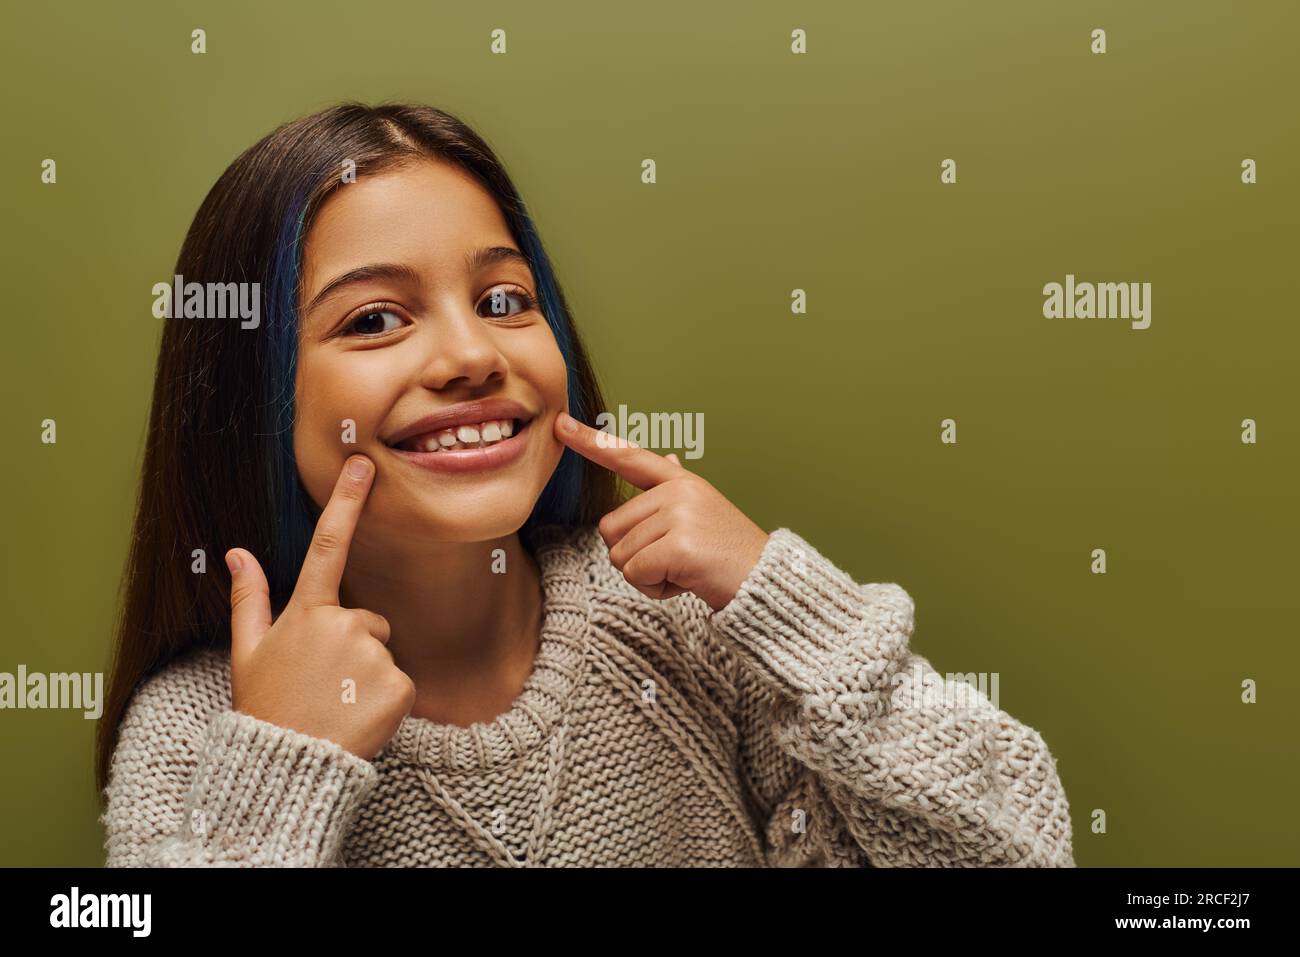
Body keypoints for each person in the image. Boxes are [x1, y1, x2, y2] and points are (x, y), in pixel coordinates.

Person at [97, 103, 1074, 867]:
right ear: (252, 390)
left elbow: (1014, 851)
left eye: (503, 300)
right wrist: (279, 777)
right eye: (374, 320)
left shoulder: (682, 626)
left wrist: (788, 606)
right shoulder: (202, 731)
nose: (473, 353)